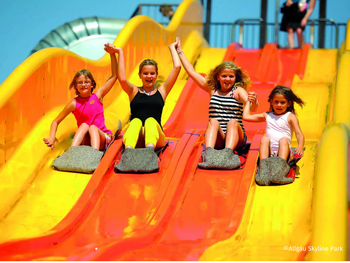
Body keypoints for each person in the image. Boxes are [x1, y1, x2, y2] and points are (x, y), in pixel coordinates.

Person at [175, 37, 258, 156]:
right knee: (213, 121)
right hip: (219, 137)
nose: (228, 79)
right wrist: (180, 51)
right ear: (218, 77)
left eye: (231, 76)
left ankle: (227, 153)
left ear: (235, 78)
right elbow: (192, 72)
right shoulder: (212, 89)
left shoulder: (238, 91)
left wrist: (254, 102)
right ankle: (209, 153)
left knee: (233, 122)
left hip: (236, 138)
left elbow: (253, 109)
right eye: (224, 76)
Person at [43, 43, 118, 151]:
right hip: (86, 141)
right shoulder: (74, 104)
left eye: (87, 82)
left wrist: (112, 54)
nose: (83, 85)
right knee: (84, 125)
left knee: (92, 127)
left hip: (103, 139)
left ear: (92, 84)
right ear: (76, 86)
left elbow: (114, 76)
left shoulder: (97, 96)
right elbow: (55, 121)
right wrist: (51, 137)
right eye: (80, 83)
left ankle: (94, 154)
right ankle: (73, 152)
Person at [111, 38, 181, 151]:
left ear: (157, 75)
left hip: (156, 139)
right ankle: (128, 151)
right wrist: (120, 52)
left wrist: (173, 48)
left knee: (150, 121)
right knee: (135, 121)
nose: (149, 76)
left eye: (152, 73)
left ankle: (149, 152)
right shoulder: (133, 91)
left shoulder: (162, 91)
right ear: (139, 75)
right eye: (145, 73)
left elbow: (177, 67)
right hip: (137, 138)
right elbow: (122, 78)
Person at [243, 85, 305, 161]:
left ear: (288, 103)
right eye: (276, 102)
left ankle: (280, 164)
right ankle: (264, 163)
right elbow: (246, 116)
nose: (279, 105)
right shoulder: (267, 115)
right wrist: (249, 102)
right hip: (269, 153)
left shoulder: (290, 116)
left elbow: (299, 133)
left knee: (283, 140)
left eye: (282, 102)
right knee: (264, 139)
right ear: (271, 102)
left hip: (284, 153)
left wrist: (300, 147)